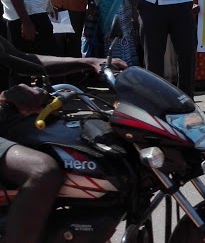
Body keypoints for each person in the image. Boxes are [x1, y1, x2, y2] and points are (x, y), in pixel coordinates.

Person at [0, 35, 126, 243]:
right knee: (42, 171)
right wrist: (3, 97)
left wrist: (88, 62)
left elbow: (22, 59)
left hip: (9, 119)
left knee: (91, 153)